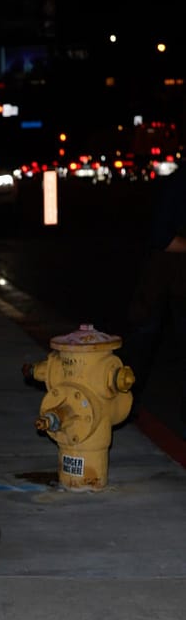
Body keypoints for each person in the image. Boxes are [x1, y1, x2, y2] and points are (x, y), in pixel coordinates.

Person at [123, 164, 186, 439]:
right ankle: (124, 404)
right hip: (162, 278)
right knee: (143, 339)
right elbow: (161, 237)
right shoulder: (178, 184)